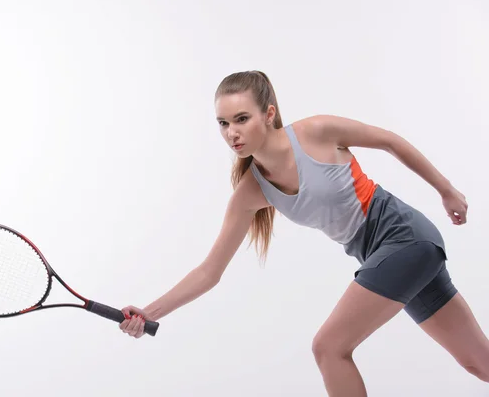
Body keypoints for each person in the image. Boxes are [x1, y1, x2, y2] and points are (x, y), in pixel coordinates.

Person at [118, 70, 489, 395]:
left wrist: (446, 190)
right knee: (479, 364)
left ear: (269, 114)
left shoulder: (315, 132)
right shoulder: (251, 191)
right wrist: (149, 311)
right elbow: (209, 271)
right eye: (223, 123)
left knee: (328, 347)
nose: (232, 133)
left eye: (242, 118)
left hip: (406, 238)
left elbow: (389, 140)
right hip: (385, 256)